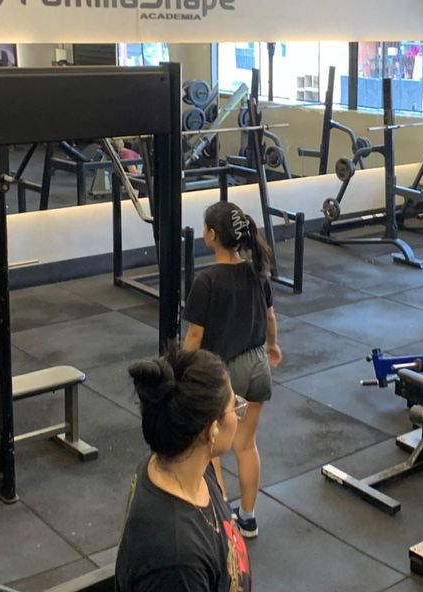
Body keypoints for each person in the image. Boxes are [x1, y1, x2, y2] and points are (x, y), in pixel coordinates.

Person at [182, 201, 281, 538]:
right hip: (258, 367)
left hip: (224, 374)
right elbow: (270, 318)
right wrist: (273, 346)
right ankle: (248, 518)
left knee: (209, 446)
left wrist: (181, 369)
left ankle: (222, 516)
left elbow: (194, 336)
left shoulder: (207, 281)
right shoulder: (257, 271)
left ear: (211, 235)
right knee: (245, 444)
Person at [116, 347, 252, 592]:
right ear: (212, 431)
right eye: (234, 406)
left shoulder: (186, 466)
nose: (238, 415)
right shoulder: (178, 562)